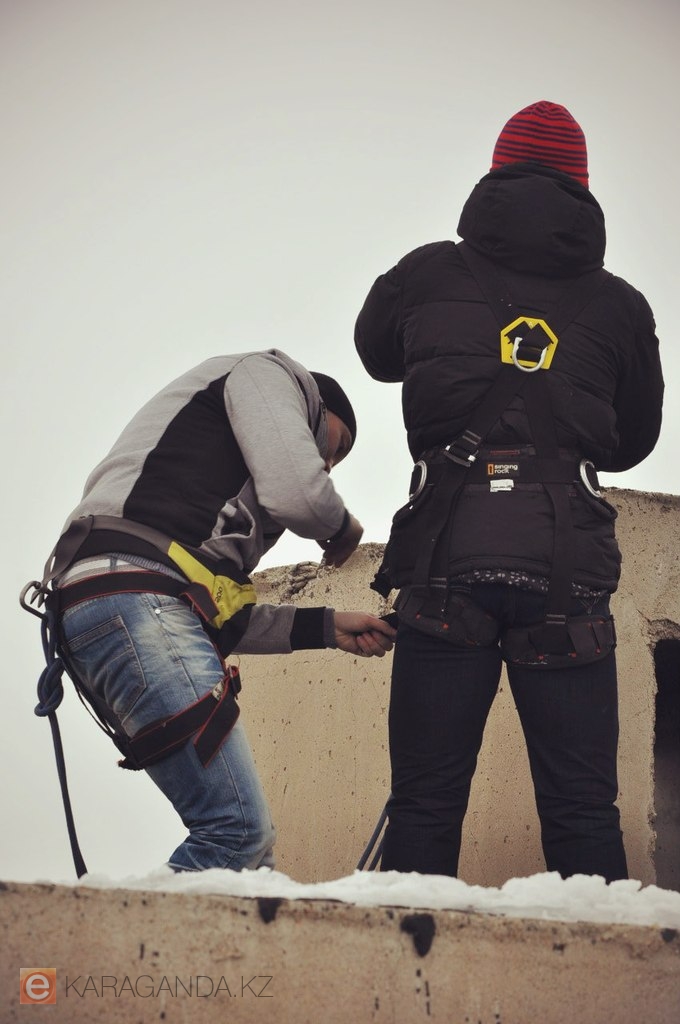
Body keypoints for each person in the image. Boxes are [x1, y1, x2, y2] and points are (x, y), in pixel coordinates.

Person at [354, 101, 663, 882]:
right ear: (582, 189)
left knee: (425, 804)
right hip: (567, 571)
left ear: (495, 175)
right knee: (583, 812)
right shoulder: (621, 306)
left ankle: (404, 959)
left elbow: (375, 354)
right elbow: (634, 441)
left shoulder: (428, 271)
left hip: (445, 564)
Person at [44, 348, 396, 872]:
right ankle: (120, 930)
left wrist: (328, 627)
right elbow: (300, 494)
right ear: (314, 406)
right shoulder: (267, 373)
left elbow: (223, 614)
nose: (327, 465)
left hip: (120, 602)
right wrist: (343, 529)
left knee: (250, 857)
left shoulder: (202, 519)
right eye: (335, 447)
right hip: (135, 597)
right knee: (236, 834)